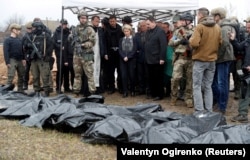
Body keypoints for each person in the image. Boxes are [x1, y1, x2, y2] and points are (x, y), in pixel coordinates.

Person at [189, 7, 222, 112]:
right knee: (208, 86)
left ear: (200, 15)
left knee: (197, 86)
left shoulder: (200, 27)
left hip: (200, 60)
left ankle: (199, 110)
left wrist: (190, 40)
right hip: (212, 60)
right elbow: (221, 42)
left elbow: (194, 43)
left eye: (198, 15)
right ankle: (209, 110)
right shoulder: (217, 27)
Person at [211, 7, 235, 114]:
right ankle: (219, 103)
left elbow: (224, 43)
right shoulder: (222, 26)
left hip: (223, 58)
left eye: (213, 16)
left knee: (222, 83)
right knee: (218, 82)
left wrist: (217, 56)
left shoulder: (224, 27)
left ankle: (222, 106)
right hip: (223, 58)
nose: (212, 18)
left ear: (218, 16)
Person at [168, 13, 194, 108]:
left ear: (189, 21)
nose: (182, 22)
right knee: (175, 78)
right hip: (180, 58)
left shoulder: (195, 31)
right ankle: (174, 97)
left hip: (191, 58)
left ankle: (188, 99)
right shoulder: (178, 31)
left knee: (190, 80)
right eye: (181, 20)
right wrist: (180, 41)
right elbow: (171, 42)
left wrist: (190, 42)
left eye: (184, 20)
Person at [23, 21, 53, 96]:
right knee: (35, 76)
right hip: (33, 59)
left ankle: (46, 90)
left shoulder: (46, 36)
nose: (32, 29)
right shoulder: (31, 36)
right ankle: (36, 90)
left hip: (43, 59)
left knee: (45, 75)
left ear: (38, 27)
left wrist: (47, 56)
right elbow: (25, 46)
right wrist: (28, 48)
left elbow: (50, 47)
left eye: (34, 27)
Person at [230, 17, 250, 123]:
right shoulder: (248, 39)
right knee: (244, 92)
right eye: (247, 27)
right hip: (245, 71)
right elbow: (239, 47)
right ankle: (242, 114)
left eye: (249, 27)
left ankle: (243, 115)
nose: (247, 29)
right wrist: (233, 40)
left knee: (245, 93)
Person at [72, 10, 96, 97]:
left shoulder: (90, 29)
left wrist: (83, 44)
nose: (83, 20)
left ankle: (92, 92)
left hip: (87, 54)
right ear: (79, 18)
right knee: (77, 75)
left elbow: (92, 42)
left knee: (89, 74)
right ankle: (76, 92)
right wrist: (72, 38)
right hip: (77, 55)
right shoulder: (75, 29)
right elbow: (70, 40)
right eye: (81, 18)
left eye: (84, 18)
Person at [144, 16, 166, 101]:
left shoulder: (160, 31)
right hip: (149, 59)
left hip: (157, 59)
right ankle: (153, 93)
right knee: (151, 77)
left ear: (153, 22)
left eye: (148, 24)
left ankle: (159, 94)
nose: (147, 26)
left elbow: (163, 45)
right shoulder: (148, 32)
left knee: (158, 78)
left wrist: (162, 58)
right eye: (146, 24)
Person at [104, 15, 124, 94]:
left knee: (120, 71)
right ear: (109, 22)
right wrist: (105, 53)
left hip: (119, 53)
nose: (112, 23)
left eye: (113, 21)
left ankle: (120, 87)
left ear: (116, 21)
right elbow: (104, 42)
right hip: (110, 53)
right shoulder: (106, 30)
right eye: (111, 21)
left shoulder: (120, 29)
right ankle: (111, 87)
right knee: (110, 72)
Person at [3, 23, 26, 92]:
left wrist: (23, 59)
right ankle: (7, 91)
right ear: (13, 30)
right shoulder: (8, 40)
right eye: (18, 30)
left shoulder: (19, 40)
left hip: (20, 60)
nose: (19, 31)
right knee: (11, 75)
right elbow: (6, 52)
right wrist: (7, 62)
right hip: (12, 60)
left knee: (22, 75)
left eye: (19, 30)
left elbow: (22, 50)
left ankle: (20, 89)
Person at [52, 19, 71, 94]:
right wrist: (60, 47)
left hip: (67, 55)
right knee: (60, 71)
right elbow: (53, 42)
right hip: (59, 54)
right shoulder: (56, 32)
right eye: (63, 24)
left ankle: (67, 87)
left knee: (67, 72)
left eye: (65, 24)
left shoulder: (68, 32)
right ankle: (58, 88)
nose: (64, 25)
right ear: (60, 24)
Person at [119, 24, 137, 97]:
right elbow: (120, 49)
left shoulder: (134, 39)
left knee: (132, 75)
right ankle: (125, 91)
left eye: (127, 31)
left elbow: (134, 49)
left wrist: (128, 57)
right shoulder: (121, 39)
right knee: (124, 76)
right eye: (125, 31)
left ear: (130, 31)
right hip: (123, 60)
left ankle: (132, 90)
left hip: (131, 60)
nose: (126, 32)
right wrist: (123, 56)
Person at [90, 16, 106, 94]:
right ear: (92, 21)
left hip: (98, 52)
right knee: (91, 70)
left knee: (98, 69)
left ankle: (97, 87)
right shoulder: (88, 29)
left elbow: (103, 42)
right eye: (96, 21)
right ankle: (90, 88)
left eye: (98, 21)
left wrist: (104, 52)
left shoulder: (100, 30)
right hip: (90, 52)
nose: (97, 23)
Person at [22, 21, 33, 90]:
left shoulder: (34, 35)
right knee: (26, 72)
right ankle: (25, 84)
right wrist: (24, 57)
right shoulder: (24, 36)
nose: (29, 30)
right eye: (28, 28)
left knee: (35, 72)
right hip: (26, 56)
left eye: (30, 28)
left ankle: (36, 85)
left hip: (33, 56)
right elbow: (22, 47)